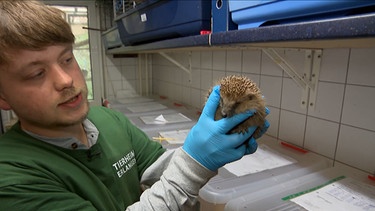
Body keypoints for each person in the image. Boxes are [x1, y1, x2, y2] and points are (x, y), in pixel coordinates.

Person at [0, 1, 269, 210]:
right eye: (37, 73)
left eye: (67, 59)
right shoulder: (11, 180)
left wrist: (208, 147)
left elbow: (156, 173)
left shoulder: (107, 120)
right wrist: (195, 164)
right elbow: (182, 177)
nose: (66, 79)